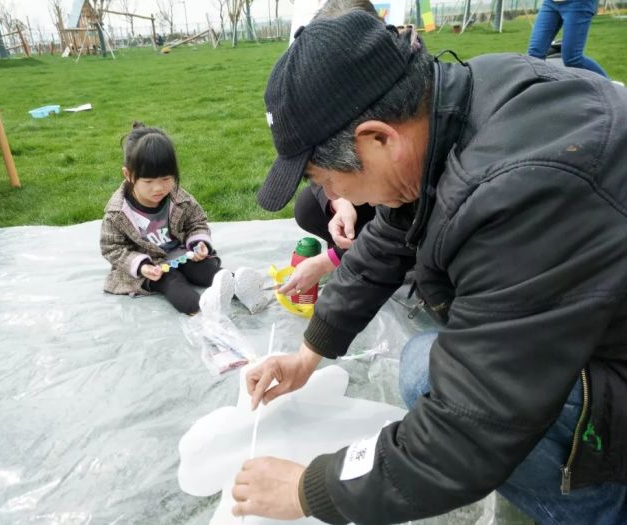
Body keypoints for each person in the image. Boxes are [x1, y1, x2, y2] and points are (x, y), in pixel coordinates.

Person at [235, 10, 627, 525]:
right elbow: (392, 234)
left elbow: (467, 431)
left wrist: (310, 489)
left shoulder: (524, 191)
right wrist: (308, 355)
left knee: (427, 373)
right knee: (434, 361)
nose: (328, 197)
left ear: (379, 139)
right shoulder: (455, 103)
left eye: (322, 179)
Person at [100, 122, 266, 316]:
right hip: (152, 268)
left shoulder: (179, 198)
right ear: (128, 175)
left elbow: (196, 221)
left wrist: (199, 244)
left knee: (204, 269)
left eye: (166, 179)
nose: (158, 188)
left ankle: (242, 288)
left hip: (181, 255)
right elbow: (112, 248)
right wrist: (142, 265)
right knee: (172, 282)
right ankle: (205, 312)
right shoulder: (117, 213)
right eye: (148, 182)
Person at [280, 0, 380, 297]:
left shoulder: (390, 123)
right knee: (311, 205)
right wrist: (343, 203)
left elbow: (397, 222)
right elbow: (315, 168)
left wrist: (330, 260)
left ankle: (373, 258)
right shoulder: (323, 100)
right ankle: (360, 251)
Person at [528, 0, 608, 77]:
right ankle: (538, 87)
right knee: (534, 54)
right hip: (551, 2)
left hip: (578, 3)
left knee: (573, 59)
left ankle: (611, 86)